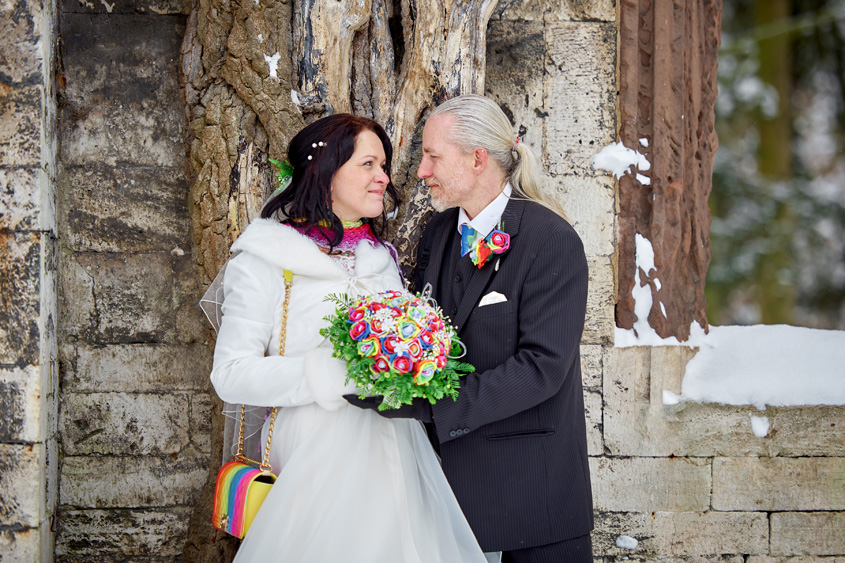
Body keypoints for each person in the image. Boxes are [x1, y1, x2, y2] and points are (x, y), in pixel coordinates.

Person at [209, 113, 487, 562]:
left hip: (399, 453)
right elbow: (231, 374)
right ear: (325, 172)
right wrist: (333, 372)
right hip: (317, 460)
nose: (383, 178)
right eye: (369, 165)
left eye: (383, 166)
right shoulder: (266, 258)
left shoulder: (381, 258)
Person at [347, 94, 594, 562]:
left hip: (532, 500)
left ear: (478, 159)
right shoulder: (439, 234)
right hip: (448, 501)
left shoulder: (551, 240)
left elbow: (543, 367)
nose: (422, 170)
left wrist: (432, 405)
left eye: (433, 156)